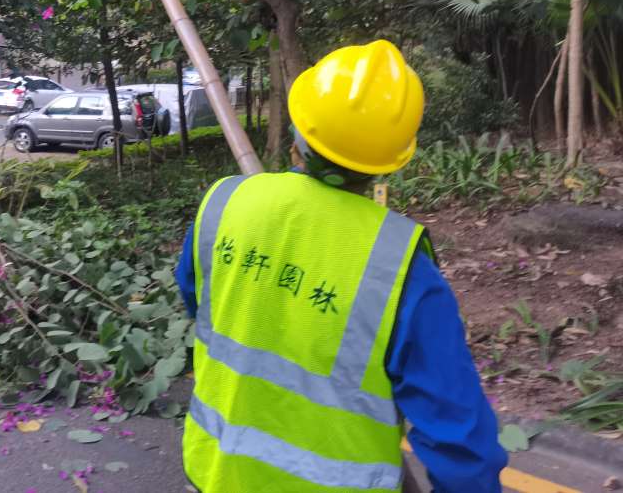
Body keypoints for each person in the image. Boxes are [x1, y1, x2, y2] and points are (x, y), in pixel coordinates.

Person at [175, 40, 507, 493]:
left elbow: (201, 302)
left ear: (298, 128)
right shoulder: (400, 266)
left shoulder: (224, 204)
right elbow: (462, 442)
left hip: (216, 474)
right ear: (388, 162)